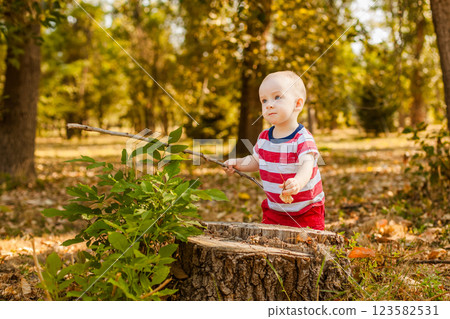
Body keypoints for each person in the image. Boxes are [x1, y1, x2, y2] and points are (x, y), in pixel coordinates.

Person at [224, 71, 325, 230]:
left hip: (306, 210)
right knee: (271, 245)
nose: (269, 104)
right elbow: (256, 160)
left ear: (297, 104)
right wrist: (237, 163)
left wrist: (298, 182)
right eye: (264, 100)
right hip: (275, 209)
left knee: (307, 244)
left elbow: (307, 165)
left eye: (277, 97)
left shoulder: (302, 138)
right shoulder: (264, 137)